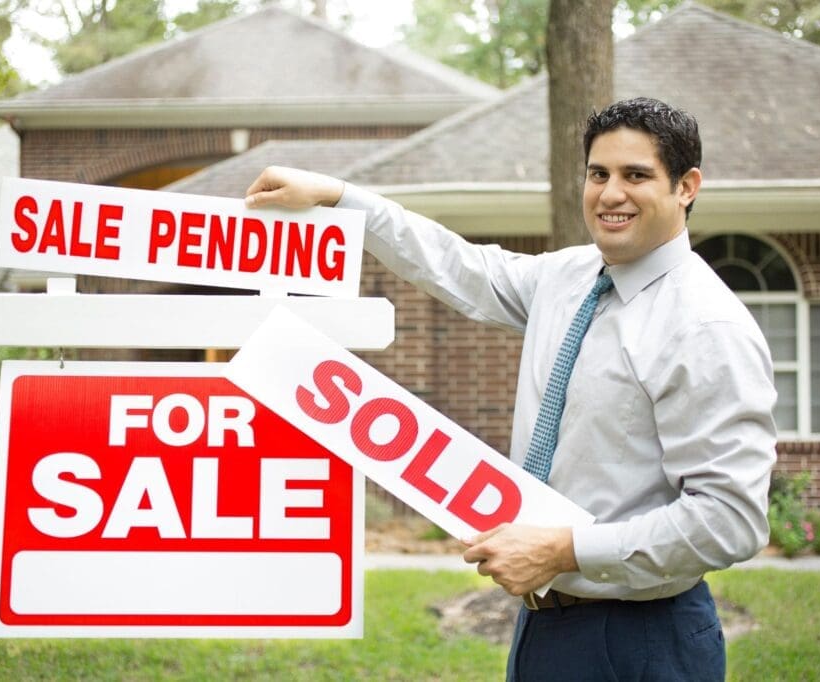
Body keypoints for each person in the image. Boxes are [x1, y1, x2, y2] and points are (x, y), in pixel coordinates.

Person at [245, 97, 777, 681]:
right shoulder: (568, 279)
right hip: (544, 626)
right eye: (599, 174)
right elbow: (457, 265)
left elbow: (729, 519)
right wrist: (339, 197)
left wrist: (563, 551)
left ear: (687, 186)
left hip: (642, 638)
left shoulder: (705, 327)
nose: (610, 194)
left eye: (636, 175)